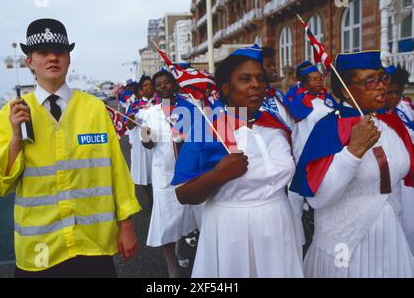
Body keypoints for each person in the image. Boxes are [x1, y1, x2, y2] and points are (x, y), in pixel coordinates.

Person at [0, 18, 141, 278]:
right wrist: (15, 140)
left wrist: (126, 224)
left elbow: (117, 170)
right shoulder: (14, 114)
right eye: (43, 52)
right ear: (29, 61)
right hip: (40, 250)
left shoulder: (94, 109)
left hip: (93, 246)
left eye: (60, 52)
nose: (52, 58)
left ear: (69, 59)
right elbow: (0, 183)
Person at [172, 45, 304, 278]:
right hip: (231, 230)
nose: (256, 85)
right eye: (245, 79)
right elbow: (183, 194)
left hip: (278, 222)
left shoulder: (274, 124)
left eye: (260, 79)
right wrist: (218, 175)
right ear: (225, 88)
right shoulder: (209, 126)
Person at [291, 51, 414, 277]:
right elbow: (318, 198)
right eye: (369, 81)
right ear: (345, 91)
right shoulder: (330, 127)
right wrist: (353, 151)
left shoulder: (391, 123)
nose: (381, 86)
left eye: (382, 77)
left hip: (391, 239)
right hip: (345, 246)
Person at [139, 70, 197, 278]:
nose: (163, 87)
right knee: (166, 221)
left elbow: (198, 139)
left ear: (174, 84)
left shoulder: (189, 109)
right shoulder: (150, 113)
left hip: (187, 171)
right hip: (163, 174)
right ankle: (172, 266)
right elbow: (148, 145)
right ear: (155, 89)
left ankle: (181, 247)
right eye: (159, 84)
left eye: (167, 83)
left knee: (186, 216)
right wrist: (145, 136)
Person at [286, 62, 338, 251]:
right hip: (303, 153)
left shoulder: (327, 98)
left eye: (320, 78)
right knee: (296, 197)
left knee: (323, 193)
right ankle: (294, 239)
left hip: (326, 154)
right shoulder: (297, 101)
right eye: (314, 79)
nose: (319, 81)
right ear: (304, 82)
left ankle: (322, 234)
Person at [385, 65, 414, 254]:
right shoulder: (375, 117)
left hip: (408, 180)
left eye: (398, 92)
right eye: (391, 92)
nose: (395, 97)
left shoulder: (403, 109)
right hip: (393, 181)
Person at [126, 75, 159, 209]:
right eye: (145, 85)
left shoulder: (160, 102)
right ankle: (150, 198)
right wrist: (131, 119)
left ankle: (158, 198)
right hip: (143, 140)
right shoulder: (135, 105)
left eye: (150, 85)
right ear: (141, 90)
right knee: (145, 173)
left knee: (158, 170)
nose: (148, 87)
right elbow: (129, 126)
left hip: (159, 139)